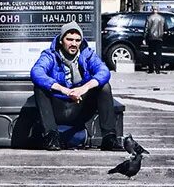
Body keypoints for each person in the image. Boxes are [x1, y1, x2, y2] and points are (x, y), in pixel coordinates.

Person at [30, 21, 120, 151]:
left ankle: (109, 138)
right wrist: (64, 90)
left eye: (77, 40)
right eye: (69, 39)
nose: (74, 44)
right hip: (58, 106)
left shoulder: (88, 55)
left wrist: (84, 88)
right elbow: (36, 72)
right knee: (40, 88)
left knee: (104, 86)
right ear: (61, 40)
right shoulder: (50, 55)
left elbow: (104, 71)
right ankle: (51, 136)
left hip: (79, 105)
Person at [144, 7, 166, 74]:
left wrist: (144, 37)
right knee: (158, 54)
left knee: (151, 54)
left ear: (152, 10)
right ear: (158, 10)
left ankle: (151, 69)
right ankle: (158, 69)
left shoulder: (149, 18)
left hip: (151, 38)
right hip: (160, 38)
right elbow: (165, 28)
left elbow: (146, 29)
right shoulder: (162, 18)